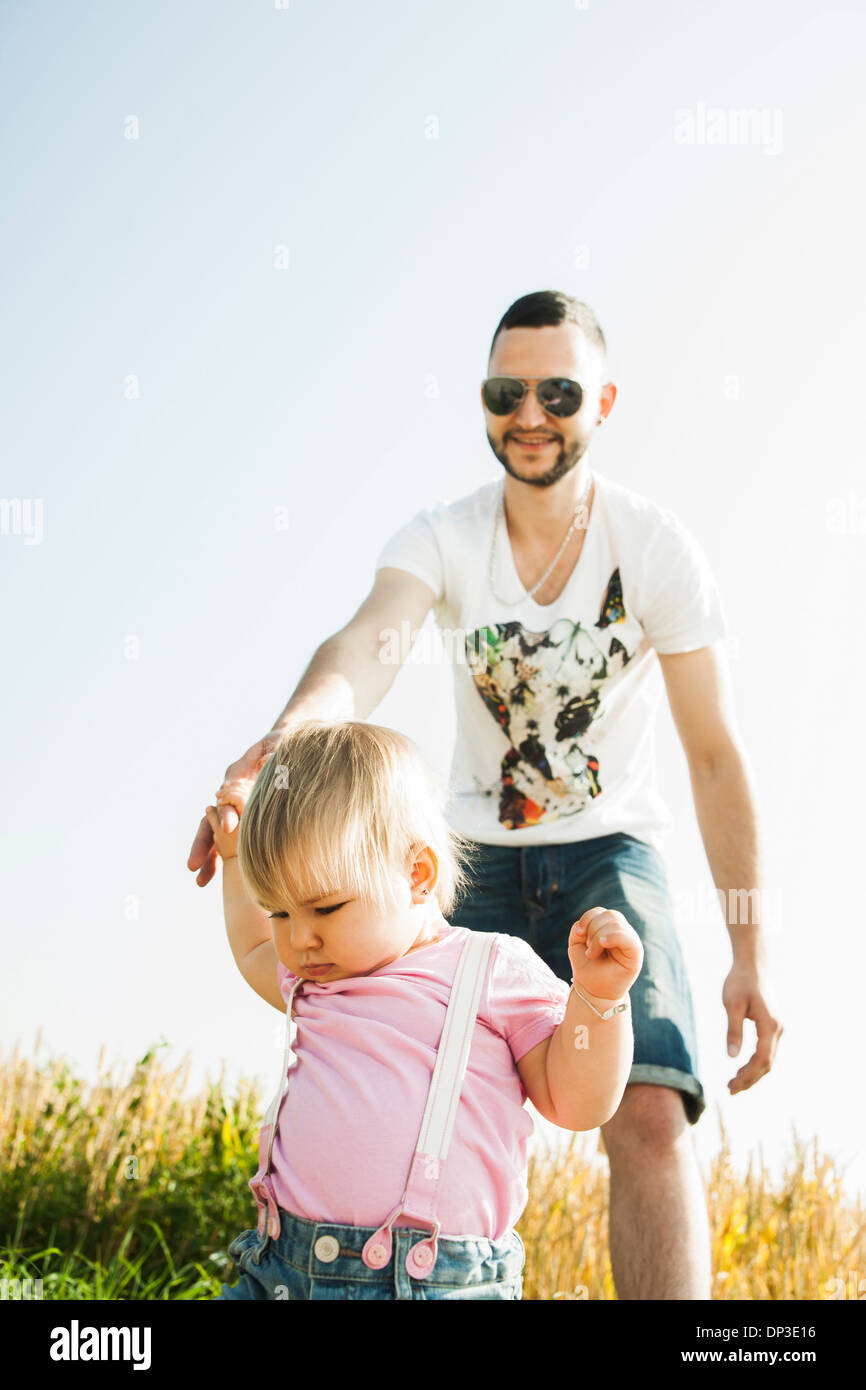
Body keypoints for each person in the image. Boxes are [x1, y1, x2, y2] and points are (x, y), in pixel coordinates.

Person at [188, 289, 783, 1300]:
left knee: (645, 1105)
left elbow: (715, 754)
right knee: (393, 1064)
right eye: (505, 391)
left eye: (556, 390)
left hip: (608, 848)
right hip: (466, 850)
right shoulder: (447, 534)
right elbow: (368, 641)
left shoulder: (651, 547)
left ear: (600, 398)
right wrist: (283, 743)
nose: (529, 413)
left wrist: (748, 948)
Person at [207, 718, 643, 1301]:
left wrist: (598, 999)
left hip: (435, 1284)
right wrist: (234, 861)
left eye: (325, 908)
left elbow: (577, 1102)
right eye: (280, 913)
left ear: (417, 875)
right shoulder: (313, 979)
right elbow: (254, 945)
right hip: (280, 1268)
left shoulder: (487, 968)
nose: (299, 940)